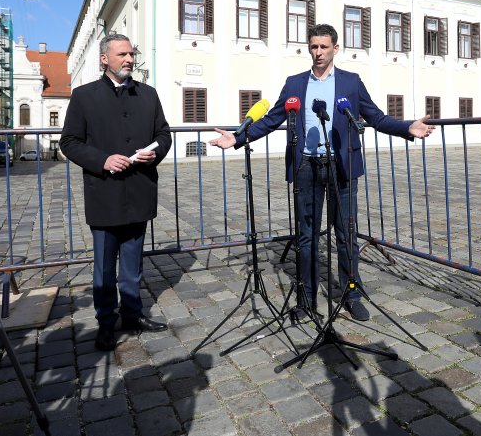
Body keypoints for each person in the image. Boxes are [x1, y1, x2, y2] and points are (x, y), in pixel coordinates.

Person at [210, 24, 434, 322]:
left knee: (346, 235)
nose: (318, 53)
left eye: (324, 47)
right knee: (307, 237)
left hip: (342, 167)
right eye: (313, 47)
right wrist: (237, 138)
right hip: (306, 167)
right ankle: (306, 299)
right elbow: (272, 118)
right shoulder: (294, 84)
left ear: (335, 49)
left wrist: (406, 127)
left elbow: (376, 117)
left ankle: (350, 294)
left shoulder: (351, 83)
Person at [60, 33, 173, 351]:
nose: (129, 59)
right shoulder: (84, 96)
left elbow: (163, 134)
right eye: (122, 54)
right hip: (104, 193)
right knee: (104, 267)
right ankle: (106, 323)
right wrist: (103, 160)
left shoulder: (148, 95)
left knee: (133, 263)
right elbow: (69, 142)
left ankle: (133, 314)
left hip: (139, 190)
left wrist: (156, 151)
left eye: (131, 54)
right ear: (104, 58)